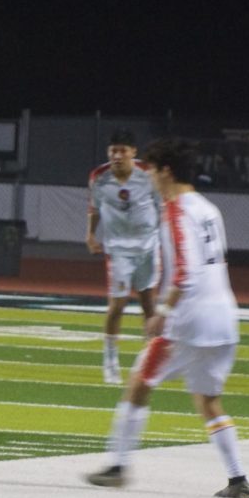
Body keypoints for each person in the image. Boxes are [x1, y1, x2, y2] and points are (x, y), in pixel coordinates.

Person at [86, 138, 249, 498]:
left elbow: (186, 274)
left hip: (188, 321)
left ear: (167, 172)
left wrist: (162, 312)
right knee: (209, 401)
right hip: (224, 318)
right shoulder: (209, 208)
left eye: (154, 172)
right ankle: (238, 479)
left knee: (139, 385)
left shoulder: (176, 211)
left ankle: (118, 465)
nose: (150, 180)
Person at [86, 128, 160, 385]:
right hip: (118, 250)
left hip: (148, 247)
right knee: (116, 306)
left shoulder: (149, 174)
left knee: (148, 304)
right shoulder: (99, 177)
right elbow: (94, 208)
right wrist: (91, 236)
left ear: (133, 152)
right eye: (113, 151)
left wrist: (165, 238)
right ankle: (110, 361)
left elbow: (162, 207)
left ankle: (149, 360)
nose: (117, 156)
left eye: (122, 151)